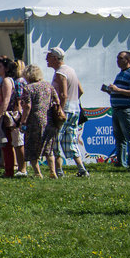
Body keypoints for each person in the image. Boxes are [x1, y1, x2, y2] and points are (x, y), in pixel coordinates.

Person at [46, 47, 88, 178]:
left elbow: (63, 94)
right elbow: (80, 90)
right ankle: (81, 169)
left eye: (48, 56)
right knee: (71, 140)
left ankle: (59, 171)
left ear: (55, 58)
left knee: (56, 140)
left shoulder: (60, 73)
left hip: (65, 111)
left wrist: (60, 110)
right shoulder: (71, 70)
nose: (46, 59)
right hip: (75, 109)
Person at [19, 64, 61, 179]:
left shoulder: (28, 88)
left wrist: (23, 121)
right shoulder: (48, 85)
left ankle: (38, 173)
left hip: (34, 120)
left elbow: (27, 106)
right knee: (48, 147)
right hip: (49, 119)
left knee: (32, 147)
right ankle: (53, 172)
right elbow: (57, 101)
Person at [104, 51, 130, 172]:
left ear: (128, 60)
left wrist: (117, 89)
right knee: (119, 138)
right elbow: (121, 91)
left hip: (127, 110)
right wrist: (111, 91)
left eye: (120, 58)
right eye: (117, 58)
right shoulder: (120, 74)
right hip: (117, 109)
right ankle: (121, 162)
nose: (117, 61)